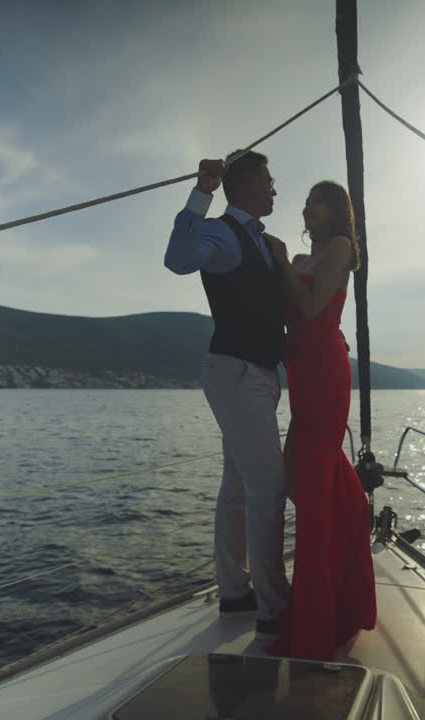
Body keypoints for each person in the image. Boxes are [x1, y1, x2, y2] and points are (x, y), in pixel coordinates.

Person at [164, 151, 288, 637]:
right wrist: (203, 192)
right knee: (269, 489)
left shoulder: (258, 240)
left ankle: (236, 593)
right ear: (248, 185)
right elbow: (178, 260)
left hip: (252, 374)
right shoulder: (221, 231)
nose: (276, 189)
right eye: (270, 180)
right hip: (237, 373)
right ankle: (275, 608)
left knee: (237, 487)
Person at [262, 180, 377, 661]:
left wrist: (284, 261)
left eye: (315, 199)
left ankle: (313, 625)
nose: (306, 205)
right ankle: (346, 592)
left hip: (325, 371)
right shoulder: (301, 262)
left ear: (333, 210)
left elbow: (310, 310)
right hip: (302, 372)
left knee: (311, 487)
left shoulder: (340, 248)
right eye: (305, 198)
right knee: (316, 483)